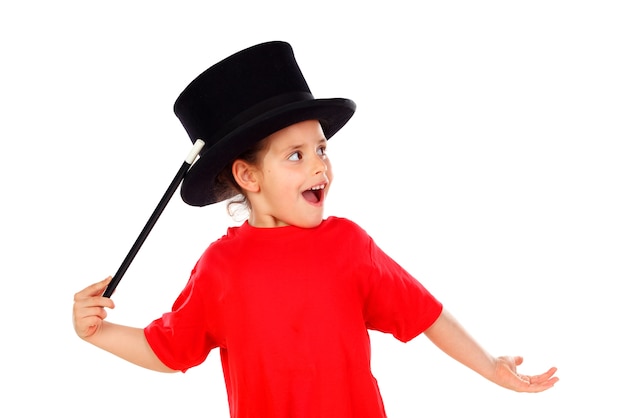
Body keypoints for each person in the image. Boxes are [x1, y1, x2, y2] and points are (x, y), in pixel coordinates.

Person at [73, 41, 558, 417]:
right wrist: (98, 333)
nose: (319, 166)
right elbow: (169, 349)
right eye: (296, 156)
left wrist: (491, 365)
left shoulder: (348, 244)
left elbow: (425, 312)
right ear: (248, 176)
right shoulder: (220, 268)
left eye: (322, 149)